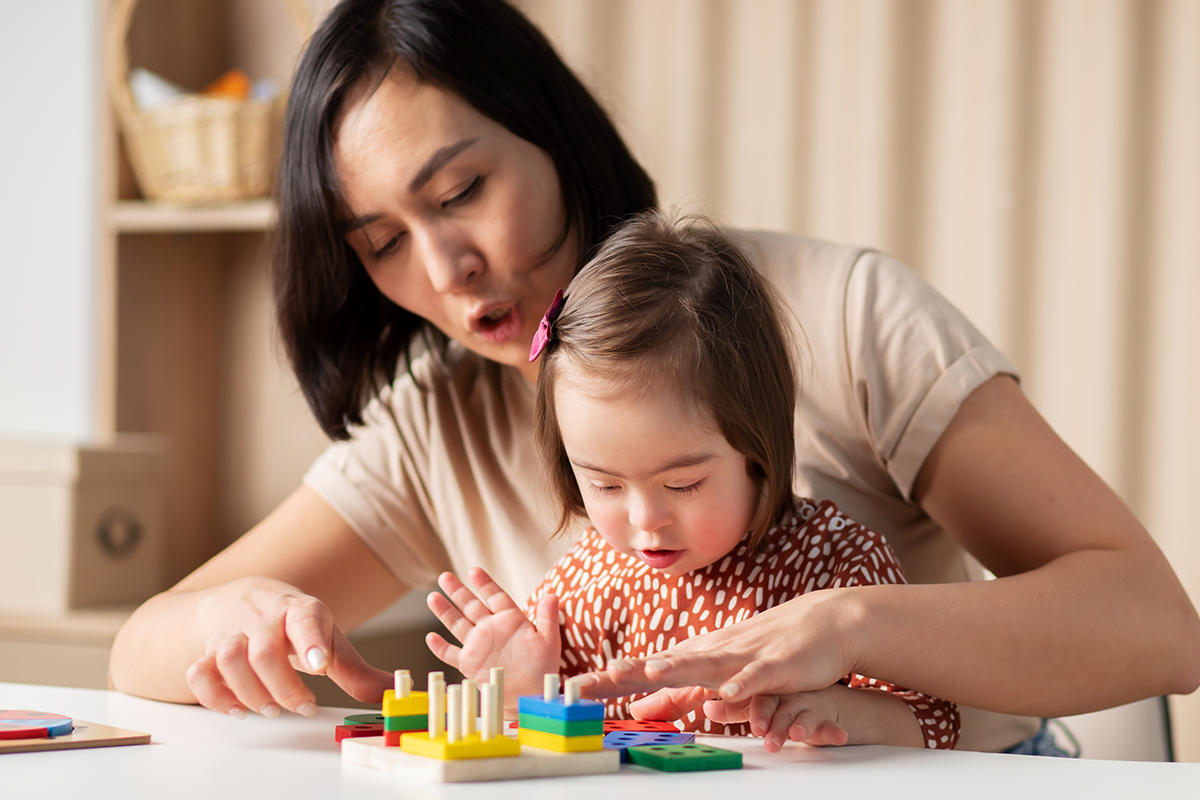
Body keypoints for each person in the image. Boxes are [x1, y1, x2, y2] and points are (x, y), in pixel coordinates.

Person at [107, 0, 1200, 755]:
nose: (445, 270)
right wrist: (236, 615)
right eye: (382, 241)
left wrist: (851, 625)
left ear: (554, 134)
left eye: (460, 190)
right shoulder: (436, 420)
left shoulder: (842, 314)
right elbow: (141, 640)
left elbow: (1157, 627)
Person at [424, 211, 960, 751]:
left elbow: (931, 724)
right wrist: (523, 692)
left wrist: (832, 710)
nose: (644, 519)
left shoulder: (839, 565)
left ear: (757, 446)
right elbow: (566, 753)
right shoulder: (584, 587)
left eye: (682, 484)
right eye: (605, 486)